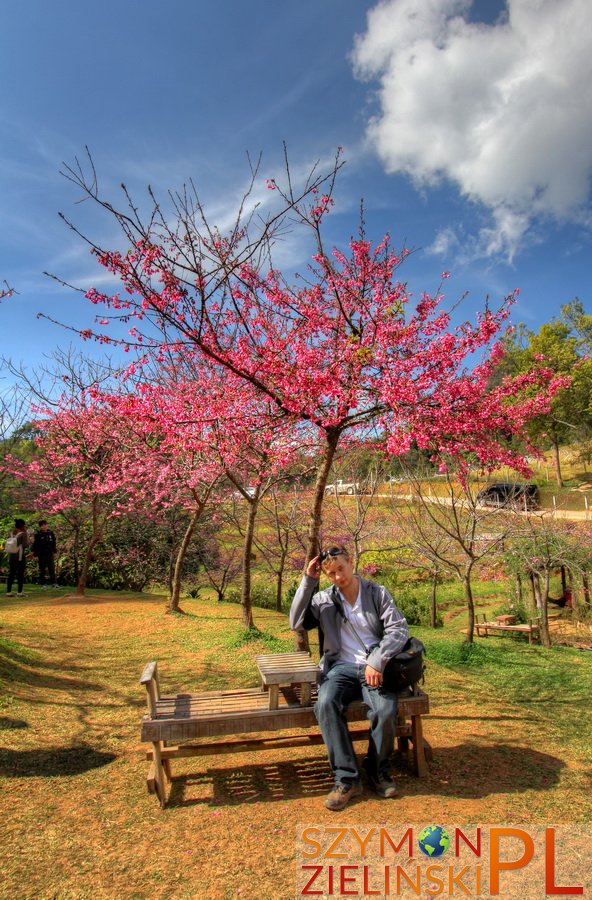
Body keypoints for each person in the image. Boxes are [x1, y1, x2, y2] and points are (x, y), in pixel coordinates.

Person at [290, 544, 409, 811]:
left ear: (351, 562)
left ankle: (377, 770)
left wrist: (377, 661)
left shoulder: (376, 593)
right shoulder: (323, 599)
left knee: (386, 710)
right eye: (330, 573)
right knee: (325, 704)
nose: (337, 577)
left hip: (373, 668)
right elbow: (296, 622)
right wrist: (309, 580)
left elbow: (398, 629)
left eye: (341, 569)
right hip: (340, 668)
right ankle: (346, 778)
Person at [5, 518, 29, 598]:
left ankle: (8, 591)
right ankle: (19, 592)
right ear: (23, 525)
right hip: (20, 556)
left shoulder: (12, 533)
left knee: (11, 573)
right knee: (20, 574)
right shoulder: (23, 533)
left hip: (11, 556)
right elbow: (25, 545)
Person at [31, 520, 59, 589]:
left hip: (50, 554)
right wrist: (35, 555)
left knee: (52, 569)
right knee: (42, 570)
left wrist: (54, 552)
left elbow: (53, 543)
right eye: (43, 525)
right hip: (42, 554)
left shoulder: (50, 533)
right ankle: (43, 584)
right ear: (40, 526)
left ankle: (54, 583)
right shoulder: (38, 535)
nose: (45, 526)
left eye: (46, 525)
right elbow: (36, 545)